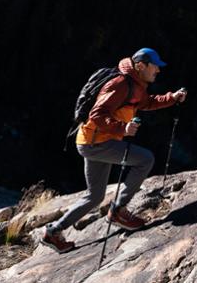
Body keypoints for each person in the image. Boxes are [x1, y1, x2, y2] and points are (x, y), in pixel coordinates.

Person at [42, 47, 187, 253]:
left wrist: (171, 97)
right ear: (141, 65)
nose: (158, 70)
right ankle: (118, 210)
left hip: (90, 141)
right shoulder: (120, 84)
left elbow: (146, 103)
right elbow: (97, 114)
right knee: (145, 159)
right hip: (97, 143)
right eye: (155, 66)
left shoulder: (136, 83)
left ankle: (53, 232)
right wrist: (122, 128)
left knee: (94, 196)